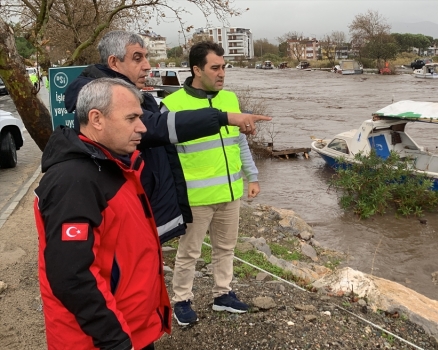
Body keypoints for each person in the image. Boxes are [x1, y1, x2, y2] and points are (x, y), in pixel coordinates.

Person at [64, 30, 271, 244]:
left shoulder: (139, 97)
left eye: (146, 57)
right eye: (138, 58)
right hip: (127, 213)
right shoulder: (103, 98)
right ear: (114, 62)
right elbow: (154, 127)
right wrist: (221, 118)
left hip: (144, 210)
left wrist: (251, 176)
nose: (147, 65)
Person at [34, 78, 171, 349]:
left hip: (131, 327)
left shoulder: (116, 165)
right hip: (99, 339)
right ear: (96, 119)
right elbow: (71, 274)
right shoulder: (74, 181)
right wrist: (115, 340)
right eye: (131, 118)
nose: (142, 127)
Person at [160, 41, 259, 326]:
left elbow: (239, 142)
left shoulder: (229, 99)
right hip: (195, 197)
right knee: (189, 252)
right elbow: (165, 157)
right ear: (196, 70)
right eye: (215, 68)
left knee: (226, 248)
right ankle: (181, 300)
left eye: (224, 67)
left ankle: (222, 295)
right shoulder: (173, 105)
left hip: (230, 192)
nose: (222, 73)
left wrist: (252, 177)